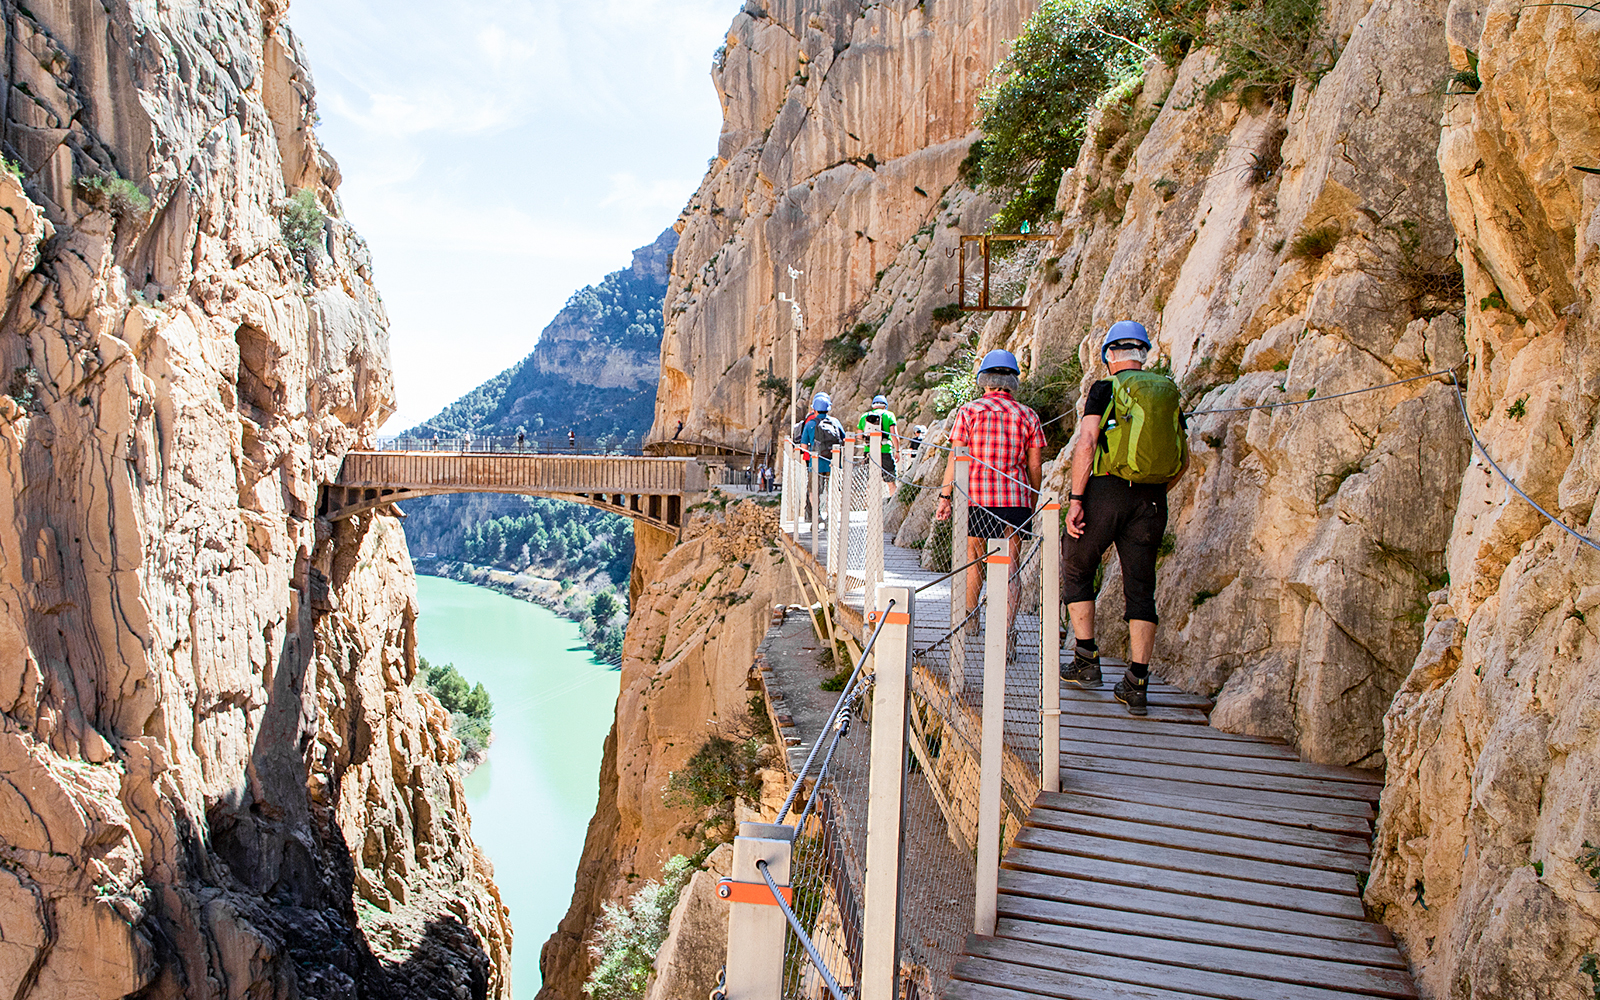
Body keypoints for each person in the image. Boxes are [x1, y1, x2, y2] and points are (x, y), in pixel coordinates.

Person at [1060, 320, 1189, 716]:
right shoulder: (1166, 392)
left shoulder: (1105, 389)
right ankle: (1137, 682)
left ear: (1109, 356)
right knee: (1140, 586)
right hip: (1151, 500)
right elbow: (1184, 456)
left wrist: (1076, 498)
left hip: (1106, 489)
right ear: (1144, 354)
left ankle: (1086, 660)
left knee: (1077, 564)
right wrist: (1155, 491)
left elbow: (1087, 441)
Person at [935, 350, 1045, 638]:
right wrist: (1031, 501)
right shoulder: (1028, 415)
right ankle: (1005, 634)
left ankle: (970, 626)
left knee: (974, 562)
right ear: (1012, 381)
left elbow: (956, 458)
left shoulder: (969, 412)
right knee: (1011, 567)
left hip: (977, 500)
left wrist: (945, 497)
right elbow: (1035, 465)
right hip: (1016, 501)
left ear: (985, 380)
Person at [795, 392, 845, 518]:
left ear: (814, 409)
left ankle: (817, 515)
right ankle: (830, 516)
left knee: (814, 490)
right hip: (834, 461)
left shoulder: (810, 424)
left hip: (816, 462)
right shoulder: (835, 422)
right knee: (832, 490)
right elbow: (843, 440)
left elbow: (804, 447)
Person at [858, 394, 899, 482]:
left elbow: (859, 436)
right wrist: (897, 451)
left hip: (869, 451)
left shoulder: (864, 416)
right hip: (885, 451)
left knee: (869, 482)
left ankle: (869, 496)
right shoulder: (889, 415)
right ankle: (893, 495)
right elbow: (894, 434)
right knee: (890, 481)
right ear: (885, 406)